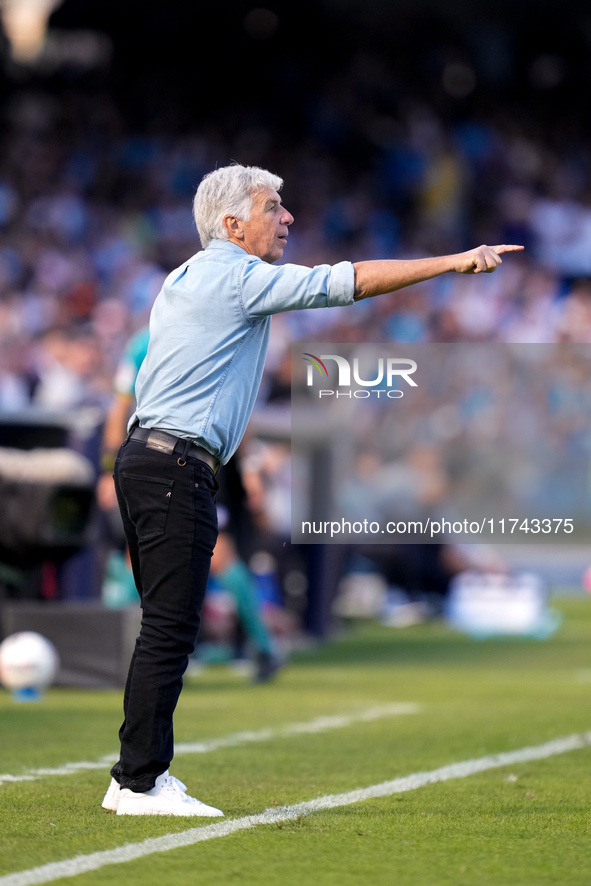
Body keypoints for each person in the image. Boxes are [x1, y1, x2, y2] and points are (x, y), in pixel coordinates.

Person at [102, 163, 523, 817]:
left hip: (151, 457)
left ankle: (137, 773)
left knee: (167, 623)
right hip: (173, 463)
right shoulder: (236, 275)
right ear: (232, 224)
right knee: (169, 627)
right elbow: (346, 283)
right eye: (274, 207)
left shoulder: (187, 275)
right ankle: (136, 782)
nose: (288, 217)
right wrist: (453, 263)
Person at [97, 326, 282, 678]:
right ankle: (123, 655)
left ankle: (260, 647)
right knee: (143, 559)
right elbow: (118, 409)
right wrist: (107, 470)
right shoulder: (147, 342)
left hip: (191, 461)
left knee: (212, 555)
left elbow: (237, 412)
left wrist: (251, 470)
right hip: (157, 459)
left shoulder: (203, 335)